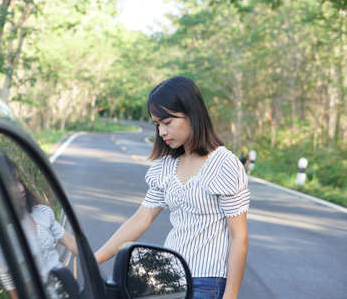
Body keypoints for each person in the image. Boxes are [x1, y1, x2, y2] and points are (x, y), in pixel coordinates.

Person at [95, 77, 250, 299]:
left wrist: (231, 294)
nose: (161, 132)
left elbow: (239, 236)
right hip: (168, 281)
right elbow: (140, 219)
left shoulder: (223, 164)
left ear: (191, 114)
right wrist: (94, 259)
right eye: (157, 125)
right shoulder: (166, 167)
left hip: (206, 283)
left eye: (167, 123)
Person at [0, 156, 78, 299]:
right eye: (12, 185)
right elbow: (13, 289)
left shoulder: (41, 213)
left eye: (18, 181)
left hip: (65, 289)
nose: (20, 189)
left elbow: (71, 242)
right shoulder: (1, 241)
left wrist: (93, 264)